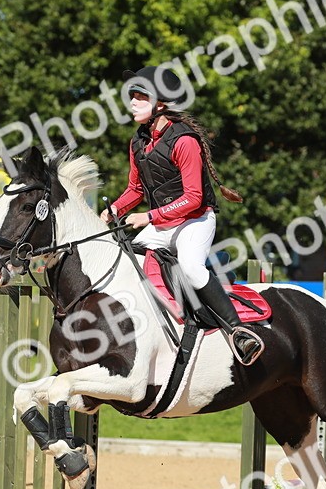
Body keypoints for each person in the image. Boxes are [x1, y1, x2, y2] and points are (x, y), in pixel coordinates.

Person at [103, 65, 265, 366]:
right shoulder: (138, 141)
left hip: (195, 221)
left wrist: (148, 217)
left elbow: (194, 198)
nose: (132, 103)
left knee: (191, 268)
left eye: (139, 97)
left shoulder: (184, 141)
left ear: (160, 104)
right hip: (162, 223)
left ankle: (237, 331)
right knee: (128, 262)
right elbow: (135, 189)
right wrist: (113, 210)